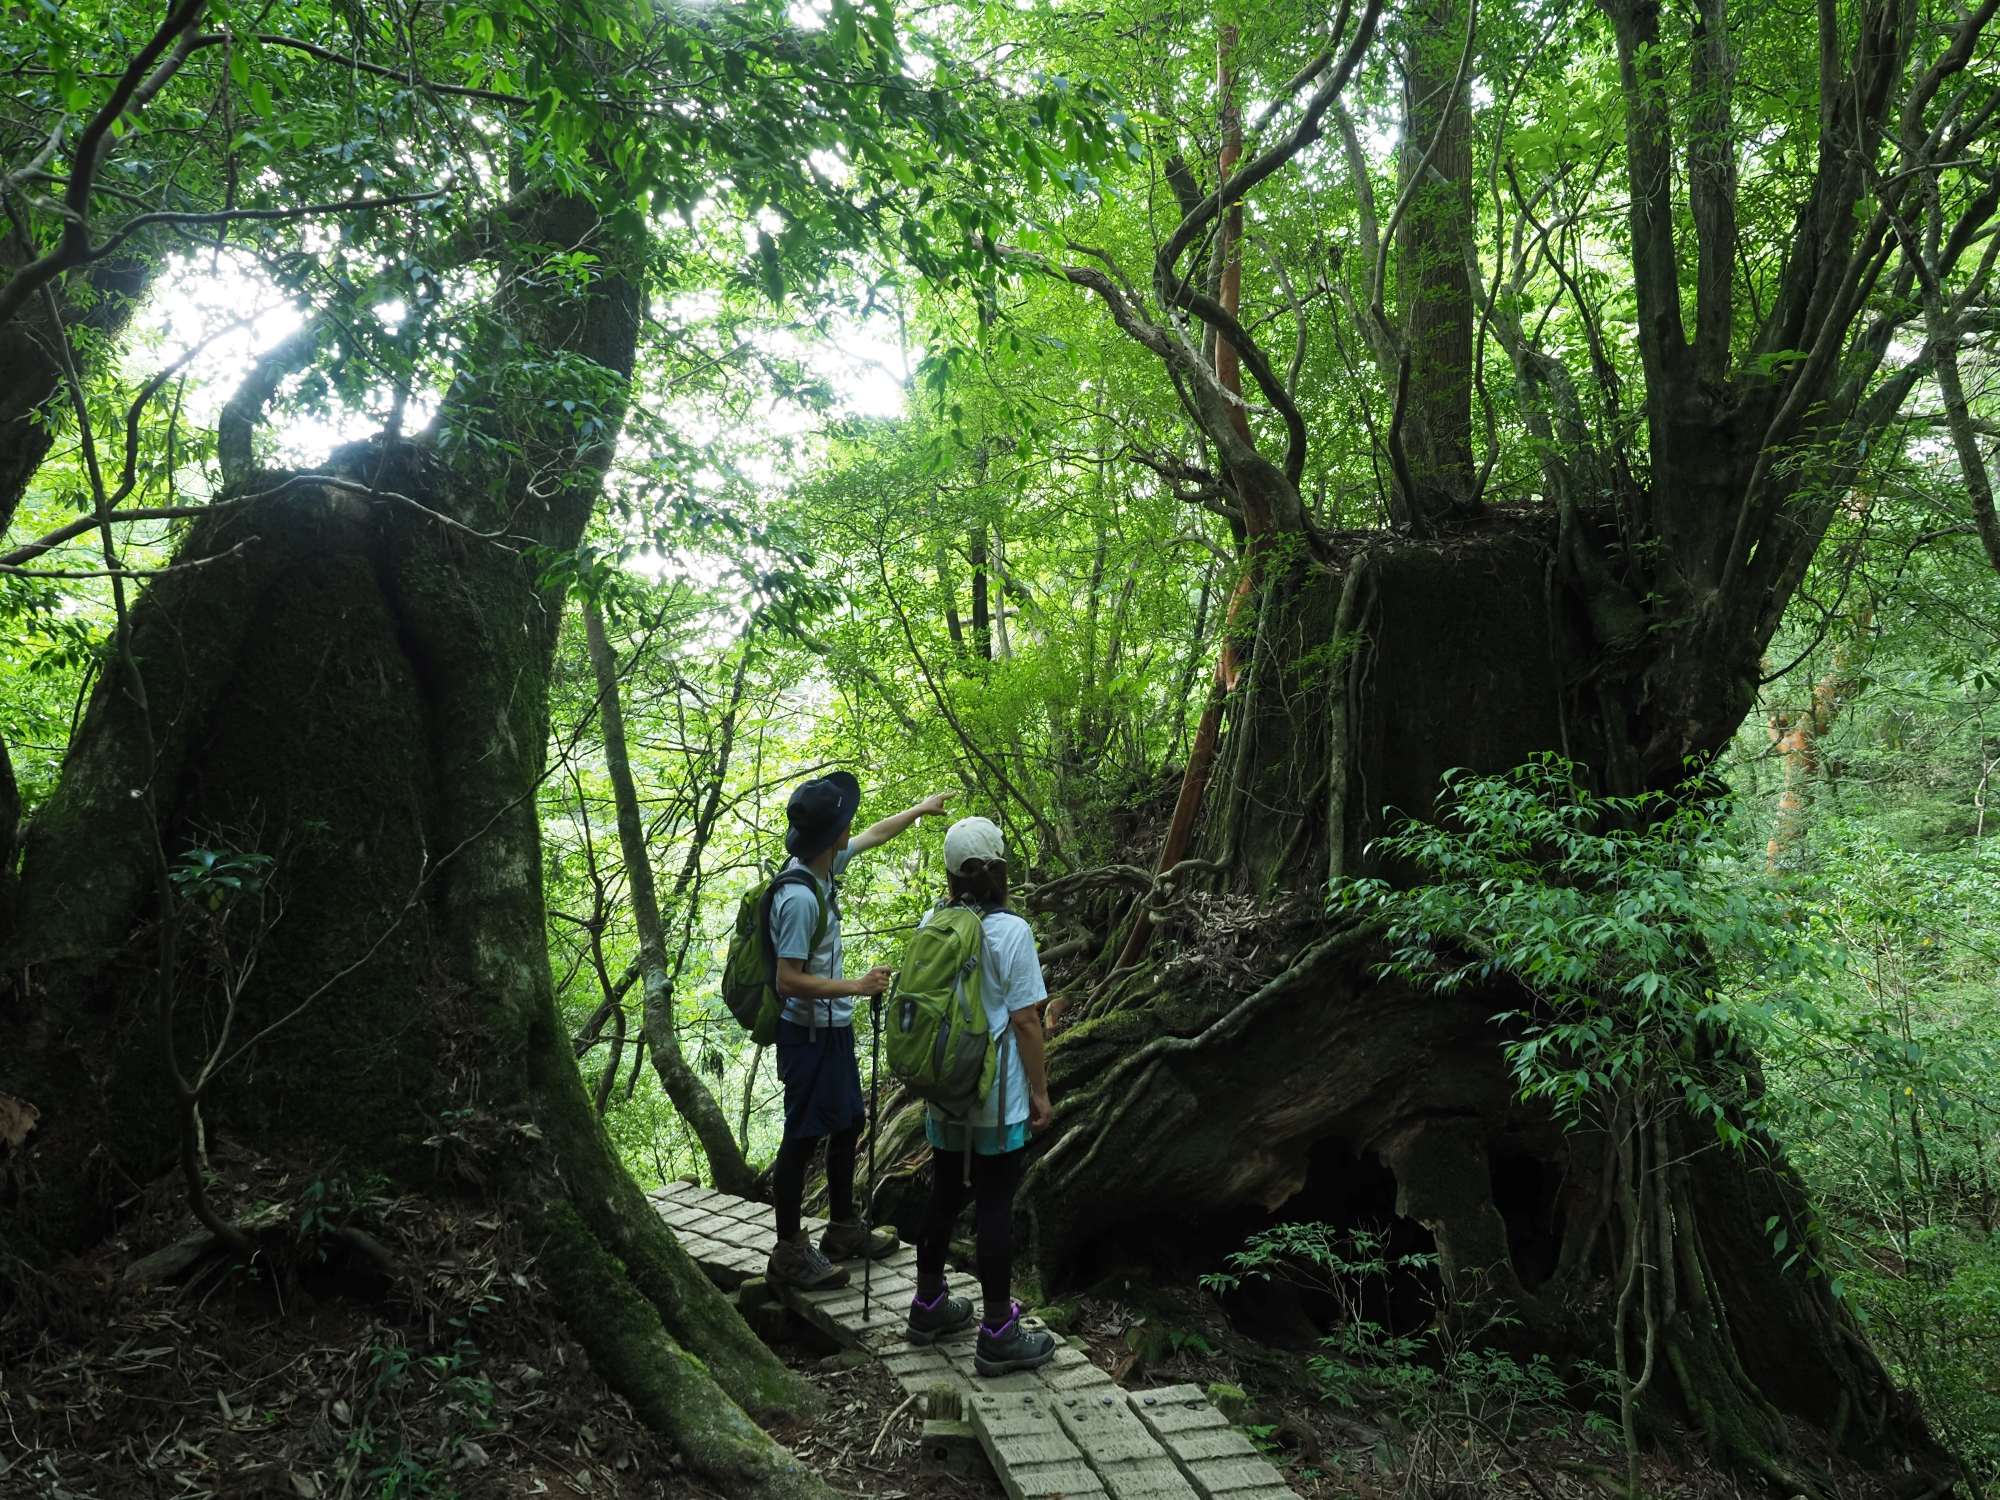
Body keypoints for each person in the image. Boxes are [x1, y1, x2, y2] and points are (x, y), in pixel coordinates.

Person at [764, 772, 954, 1290]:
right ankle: (788, 1251)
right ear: (832, 834)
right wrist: (858, 986)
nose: (853, 826)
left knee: (848, 1123)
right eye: (845, 821)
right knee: (802, 1136)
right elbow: (787, 980)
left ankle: (843, 1229)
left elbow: (876, 833)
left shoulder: (824, 866)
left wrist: (920, 808)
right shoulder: (800, 897)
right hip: (806, 1035)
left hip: (832, 1030)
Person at [905, 816, 1058, 1377]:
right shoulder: (1012, 932)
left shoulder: (934, 921)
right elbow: (1026, 1022)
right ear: (999, 871)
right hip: (997, 1097)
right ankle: (997, 1332)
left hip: (946, 1090)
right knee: (994, 1204)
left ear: (951, 875)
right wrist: (1040, 1093)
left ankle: (928, 1305)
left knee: (945, 1192)